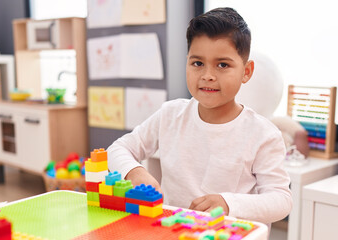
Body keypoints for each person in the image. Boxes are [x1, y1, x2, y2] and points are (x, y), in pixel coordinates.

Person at [107, 7, 292, 224]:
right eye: (198, 63)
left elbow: (281, 200)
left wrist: (228, 203)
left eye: (223, 65)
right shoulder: (170, 114)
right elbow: (117, 149)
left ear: (246, 71)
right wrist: (134, 172)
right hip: (172, 231)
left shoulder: (262, 133)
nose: (208, 76)